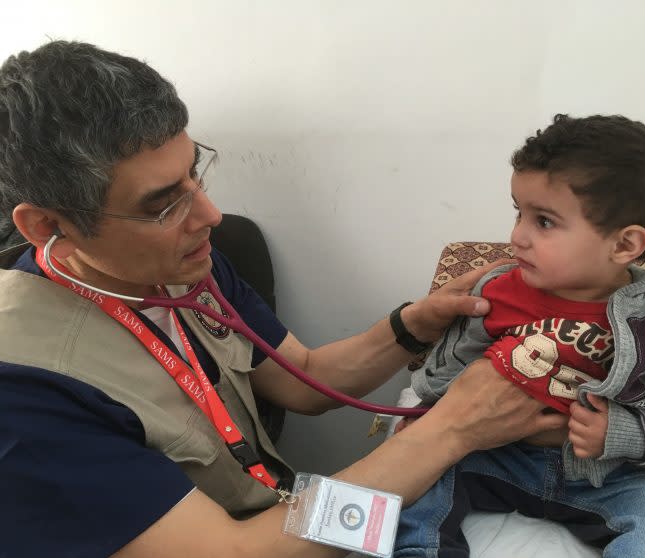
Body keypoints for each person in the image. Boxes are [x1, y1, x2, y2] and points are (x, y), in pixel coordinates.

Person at [0, 41, 570, 557]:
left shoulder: (177, 268)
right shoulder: (23, 392)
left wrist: (412, 327)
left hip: (282, 516)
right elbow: (237, 553)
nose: (210, 216)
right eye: (161, 206)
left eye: (195, 173)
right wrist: (452, 431)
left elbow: (302, 379)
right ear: (48, 225)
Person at [394, 114, 645, 557]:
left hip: (615, 475)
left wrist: (625, 433)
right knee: (406, 482)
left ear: (624, 246)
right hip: (496, 454)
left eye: (545, 222)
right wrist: (426, 418)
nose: (517, 236)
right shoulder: (493, 292)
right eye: (519, 212)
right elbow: (449, 370)